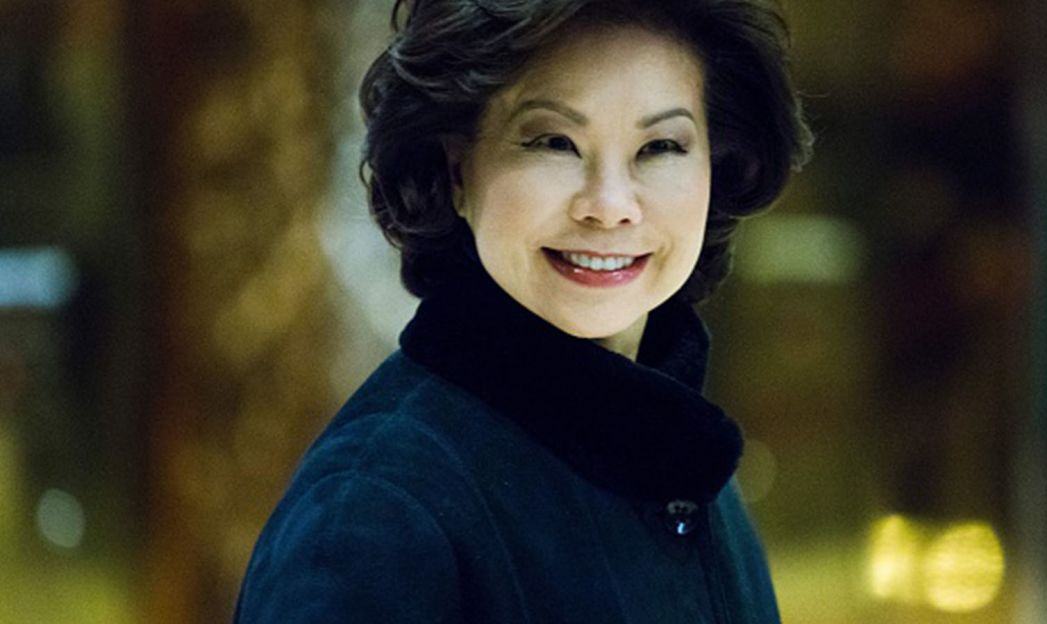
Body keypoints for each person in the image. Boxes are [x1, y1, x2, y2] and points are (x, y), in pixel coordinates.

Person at [234, 0, 811, 621]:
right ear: (457, 170)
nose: (610, 205)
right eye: (554, 142)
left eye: (661, 146)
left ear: (715, 166)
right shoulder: (376, 512)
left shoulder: (693, 471)